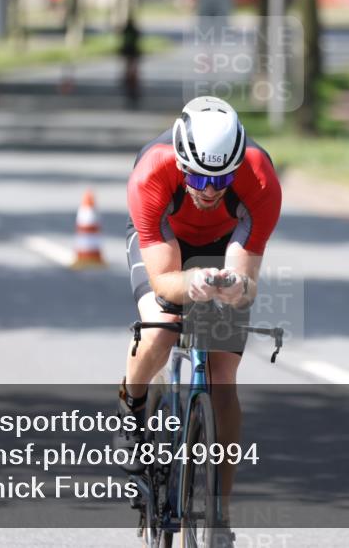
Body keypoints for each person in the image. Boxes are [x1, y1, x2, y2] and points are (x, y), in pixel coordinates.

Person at [116, 96, 282, 541]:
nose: (209, 191)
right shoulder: (151, 172)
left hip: (225, 245)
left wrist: (233, 286)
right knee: (162, 328)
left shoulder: (261, 181)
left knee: (223, 376)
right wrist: (188, 284)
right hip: (165, 243)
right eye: (196, 177)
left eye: (221, 179)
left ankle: (220, 516)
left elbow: (247, 282)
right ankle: (130, 409)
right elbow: (165, 279)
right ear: (180, 160)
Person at [119, 15, 141, 109]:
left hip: (129, 52)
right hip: (132, 52)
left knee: (129, 69)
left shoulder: (127, 30)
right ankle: (130, 82)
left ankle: (129, 81)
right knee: (131, 69)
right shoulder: (133, 31)